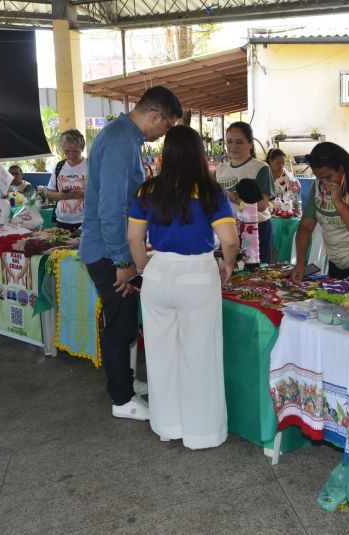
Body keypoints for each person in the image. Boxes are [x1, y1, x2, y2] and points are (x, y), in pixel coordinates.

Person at [127, 125, 238, 448]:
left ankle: (168, 426)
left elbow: (134, 238)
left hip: (158, 271)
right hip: (198, 273)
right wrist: (227, 264)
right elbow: (229, 241)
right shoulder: (210, 192)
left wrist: (144, 268)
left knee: (161, 355)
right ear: (199, 154)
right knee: (200, 354)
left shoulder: (147, 191)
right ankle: (201, 433)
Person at [79, 86, 182, 421]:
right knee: (120, 325)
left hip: (112, 248)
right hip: (109, 251)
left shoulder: (124, 137)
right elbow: (110, 209)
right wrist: (123, 262)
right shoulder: (122, 141)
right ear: (154, 115)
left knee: (123, 320)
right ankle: (121, 400)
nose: (162, 134)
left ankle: (125, 383)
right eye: (165, 126)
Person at [290, 142, 349, 285]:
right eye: (319, 178)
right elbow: (305, 227)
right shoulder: (318, 187)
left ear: (342, 167)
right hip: (337, 265)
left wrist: (339, 203)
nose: (323, 182)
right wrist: (300, 262)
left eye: (328, 177)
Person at [215, 122, 275, 264]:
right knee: (231, 272)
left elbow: (262, 205)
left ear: (250, 144)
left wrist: (234, 198)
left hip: (255, 228)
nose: (233, 146)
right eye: (229, 141)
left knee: (255, 273)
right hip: (229, 227)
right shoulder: (221, 169)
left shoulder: (260, 168)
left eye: (239, 142)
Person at [46, 129, 87, 231]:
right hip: (62, 221)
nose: (70, 154)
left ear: (82, 148)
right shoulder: (59, 166)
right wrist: (61, 195)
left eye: (75, 151)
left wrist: (84, 193)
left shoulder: (91, 165)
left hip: (86, 220)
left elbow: (103, 191)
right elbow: (49, 192)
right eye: (67, 151)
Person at [266, 148, 301, 215]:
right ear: (270, 161)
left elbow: (291, 197)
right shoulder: (264, 173)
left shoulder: (287, 177)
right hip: (265, 209)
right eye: (278, 163)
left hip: (282, 210)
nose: (281, 166)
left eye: (283, 163)